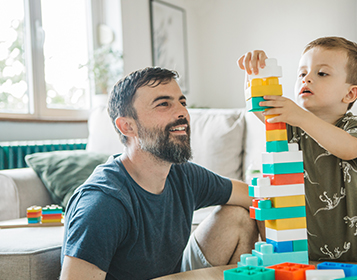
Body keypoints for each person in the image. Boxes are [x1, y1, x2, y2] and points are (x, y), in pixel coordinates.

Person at [60, 67, 261, 279]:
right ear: (127, 126)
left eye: (182, 102)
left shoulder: (183, 175)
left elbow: (258, 197)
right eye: (163, 104)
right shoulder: (103, 204)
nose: (182, 112)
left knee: (239, 215)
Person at [237, 36, 357, 263]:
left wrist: (301, 117)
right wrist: (255, 73)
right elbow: (261, 106)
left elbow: (350, 149)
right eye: (302, 73)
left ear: (350, 94)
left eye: (321, 73)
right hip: (303, 256)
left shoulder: (353, 126)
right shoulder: (291, 129)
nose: (307, 79)